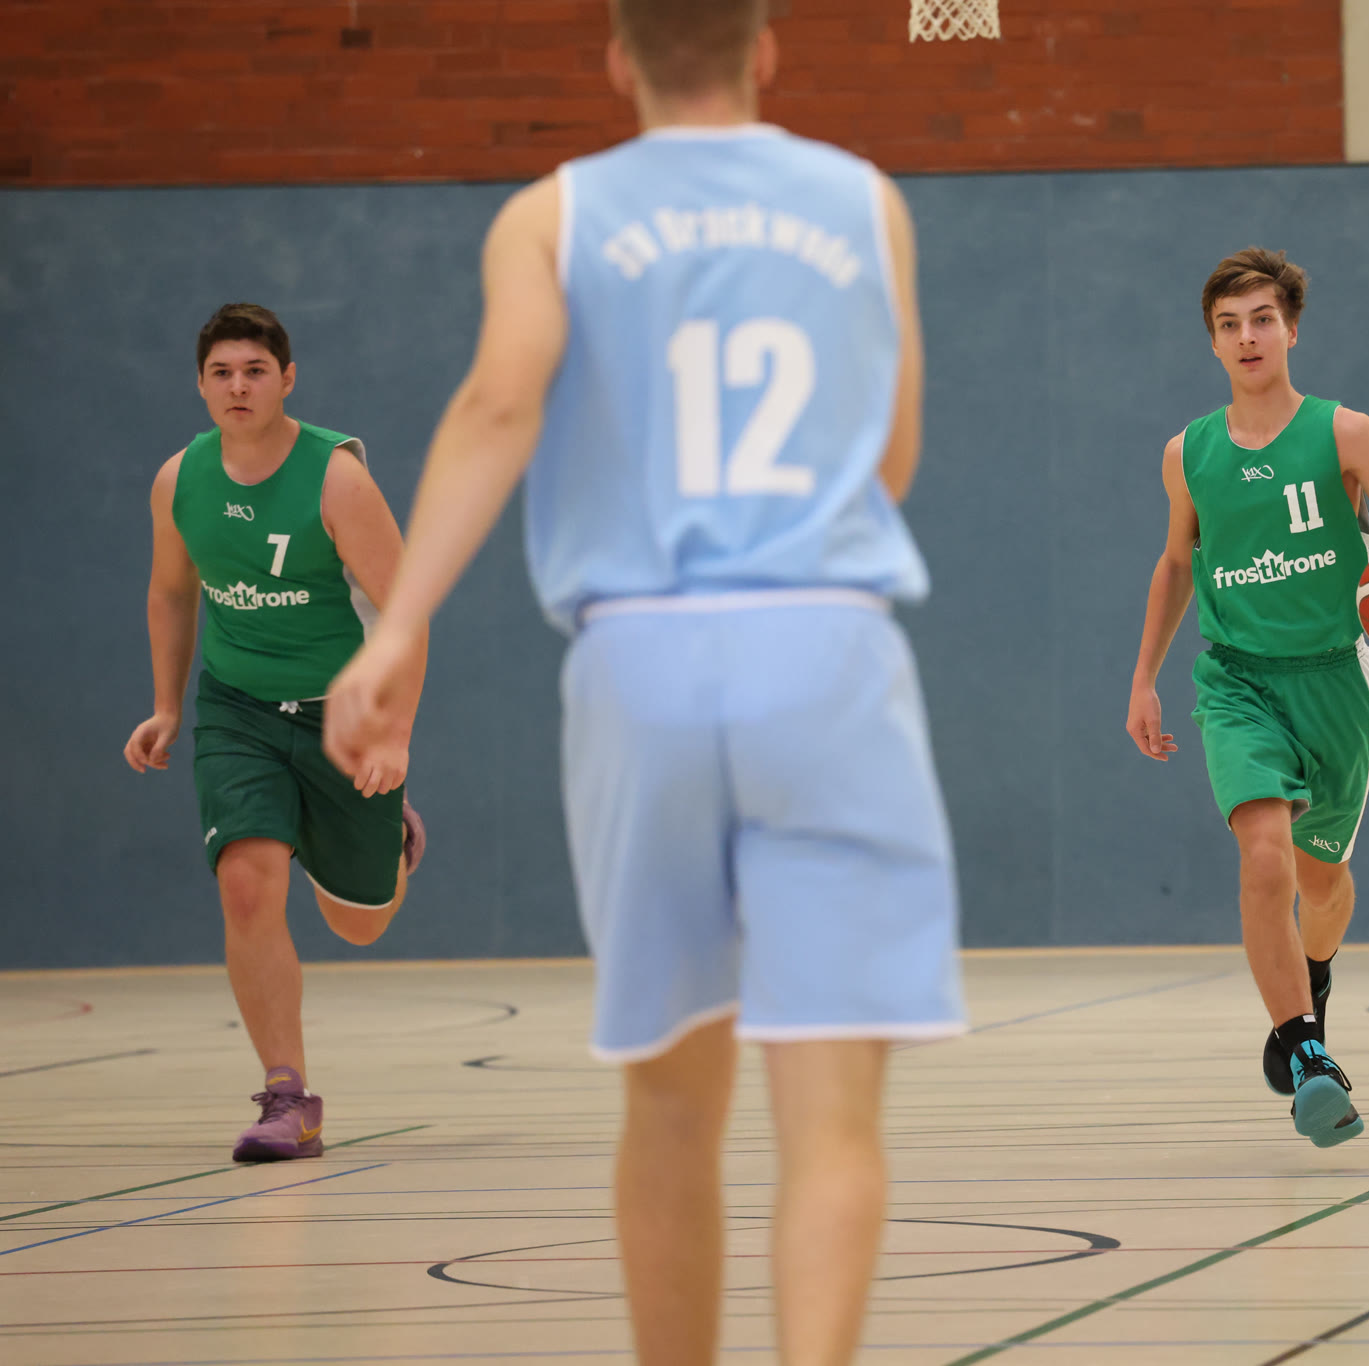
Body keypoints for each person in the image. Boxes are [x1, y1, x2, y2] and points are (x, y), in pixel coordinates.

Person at [319, 2, 964, 1362]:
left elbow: (499, 405)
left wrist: (394, 627)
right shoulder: (866, 202)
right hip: (823, 650)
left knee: (670, 1104)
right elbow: (892, 457)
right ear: (763, 48)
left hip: (639, 662)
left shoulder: (550, 216)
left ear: (617, 59)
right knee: (831, 1118)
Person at [1125, 246, 1369, 1149]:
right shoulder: (1188, 453)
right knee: (1265, 857)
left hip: (1335, 680)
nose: (1247, 337)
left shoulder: (1346, 435)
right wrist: (1144, 678)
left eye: (1262, 319)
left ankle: (1315, 978)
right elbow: (1176, 563)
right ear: (1213, 343)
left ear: (1291, 330)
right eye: (1228, 325)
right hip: (1237, 681)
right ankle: (1307, 1055)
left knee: (1321, 882)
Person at [123, 302, 428, 1163]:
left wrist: (394, 737)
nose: (238, 387)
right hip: (238, 710)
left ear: (286, 380)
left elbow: (405, 614)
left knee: (359, 924)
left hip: (344, 716)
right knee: (248, 886)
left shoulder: (336, 479)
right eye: (221, 372)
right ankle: (287, 1095)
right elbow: (171, 591)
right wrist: (168, 706)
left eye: (255, 370)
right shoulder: (179, 479)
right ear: (200, 385)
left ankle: (391, 841)